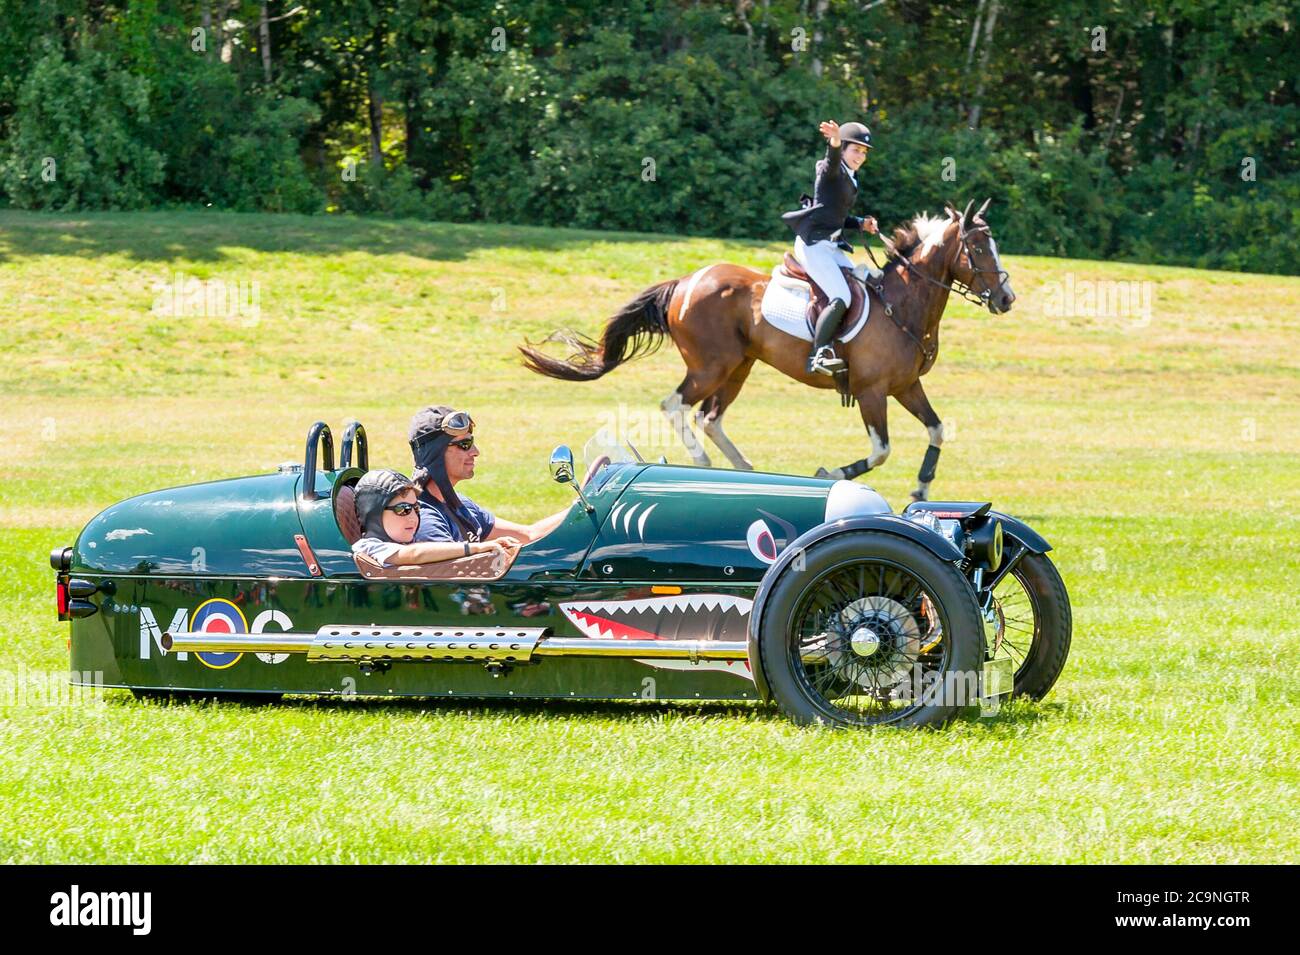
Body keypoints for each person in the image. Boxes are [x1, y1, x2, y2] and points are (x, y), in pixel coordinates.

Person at [781, 119, 881, 377]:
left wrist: (860, 223)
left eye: (864, 152)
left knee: (865, 280)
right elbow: (832, 159)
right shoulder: (831, 170)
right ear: (843, 149)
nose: (860, 156)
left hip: (830, 245)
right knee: (842, 297)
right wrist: (834, 142)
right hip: (813, 245)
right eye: (855, 150)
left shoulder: (852, 178)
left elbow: (833, 215)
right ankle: (818, 354)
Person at [407, 406, 569, 545]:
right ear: (435, 452)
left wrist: (584, 507)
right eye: (464, 445)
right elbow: (455, 576)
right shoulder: (424, 517)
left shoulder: (460, 504)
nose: (475, 452)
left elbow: (529, 535)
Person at [350, 469, 515, 567]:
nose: (413, 517)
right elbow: (415, 554)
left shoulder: (406, 542)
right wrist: (476, 548)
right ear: (374, 515)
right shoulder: (370, 547)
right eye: (404, 510)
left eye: (416, 508)